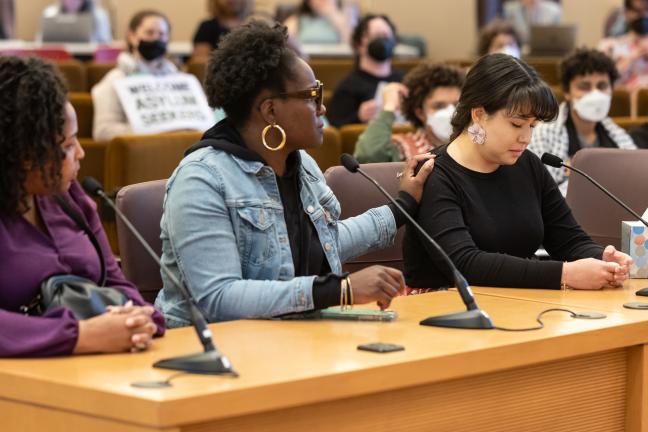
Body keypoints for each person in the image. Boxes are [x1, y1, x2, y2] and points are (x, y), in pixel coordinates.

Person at [154, 21, 435, 327]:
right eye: (313, 95)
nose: (322, 109)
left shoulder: (301, 165)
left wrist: (402, 207)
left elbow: (323, 242)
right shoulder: (201, 179)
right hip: (212, 351)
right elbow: (219, 297)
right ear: (270, 111)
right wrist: (339, 290)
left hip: (291, 336)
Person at [403, 53, 632, 292]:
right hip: (443, 308)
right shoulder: (433, 173)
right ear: (479, 114)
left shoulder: (527, 164)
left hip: (518, 300)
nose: (526, 138)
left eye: (532, 126)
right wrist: (565, 274)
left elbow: (569, 240)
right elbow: (463, 263)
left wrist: (603, 259)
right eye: (516, 124)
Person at [0, 56, 164, 357]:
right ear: (24, 155)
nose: (81, 152)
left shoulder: (68, 195)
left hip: (94, 367)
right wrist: (80, 336)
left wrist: (139, 317)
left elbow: (116, 281)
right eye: (67, 146)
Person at [529, 48, 636, 195]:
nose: (595, 94)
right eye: (584, 87)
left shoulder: (618, 136)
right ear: (567, 92)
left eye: (602, 86)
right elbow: (542, 192)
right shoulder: (543, 134)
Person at [91, 10, 177, 142]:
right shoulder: (115, 79)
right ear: (132, 36)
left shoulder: (177, 78)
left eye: (161, 34)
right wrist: (154, 130)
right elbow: (103, 131)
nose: (156, 39)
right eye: (149, 33)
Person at [354, 63, 464, 163]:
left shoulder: (475, 147)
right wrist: (389, 106)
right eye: (439, 106)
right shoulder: (401, 147)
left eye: (456, 105)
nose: (451, 112)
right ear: (420, 113)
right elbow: (367, 157)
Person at [327, 14, 403, 127]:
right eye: (377, 36)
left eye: (386, 36)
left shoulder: (404, 81)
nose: (383, 41)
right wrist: (358, 116)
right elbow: (334, 129)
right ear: (359, 45)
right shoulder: (348, 87)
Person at [599, 16, 648, 92]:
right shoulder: (615, 47)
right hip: (623, 90)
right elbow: (611, 78)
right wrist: (631, 57)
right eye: (640, 38)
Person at [284, 0, 355, 45]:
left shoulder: (344, 18)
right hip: (306, 60)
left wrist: (332, 14)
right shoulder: (297, 19)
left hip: (336, 61)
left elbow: (351, 42)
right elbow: (285, 40)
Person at [41, 0, 112, 43]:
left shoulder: (99, 15)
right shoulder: (50, 14)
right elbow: (41, 42)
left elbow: (106, 43)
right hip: (59, 59)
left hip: (89, 59)